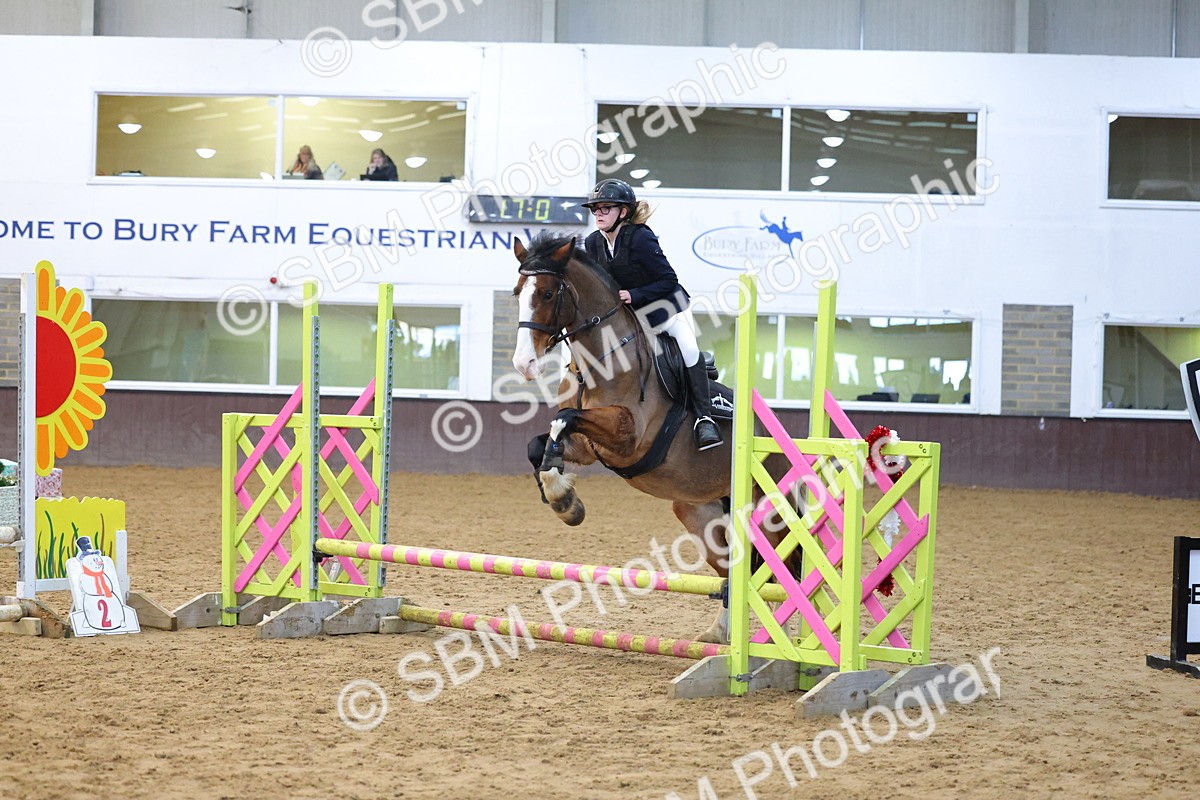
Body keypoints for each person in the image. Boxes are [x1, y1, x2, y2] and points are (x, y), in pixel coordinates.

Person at [580, 179, 723, 451]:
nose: (598, 213)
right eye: (595, 208)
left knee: (690, 350)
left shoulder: (641, 237)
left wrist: (634, 295)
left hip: (667, 308)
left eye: (605, 208)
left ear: (623, 212)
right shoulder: (592, 243)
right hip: (633, 318)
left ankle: (705, 420)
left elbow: (668, 280)